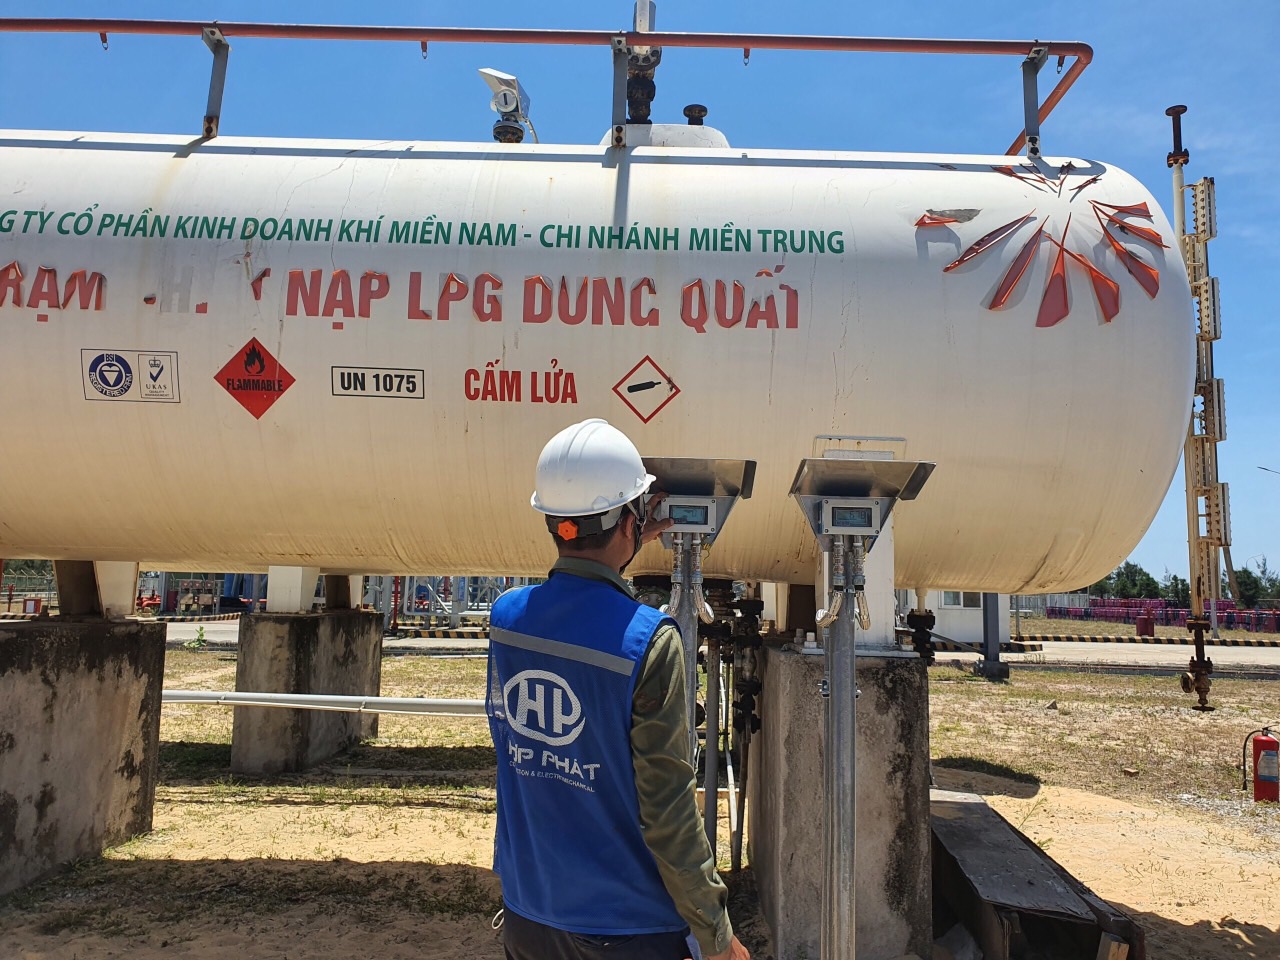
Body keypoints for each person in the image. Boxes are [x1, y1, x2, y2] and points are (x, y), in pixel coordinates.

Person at [487, 418, 750, 960]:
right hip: (627, 928)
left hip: (529, 915)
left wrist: (619, 541)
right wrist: (717, 934)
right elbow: (669, 812)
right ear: (632, 521)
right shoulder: (648, 642)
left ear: (552, 521)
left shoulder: (507, 620)